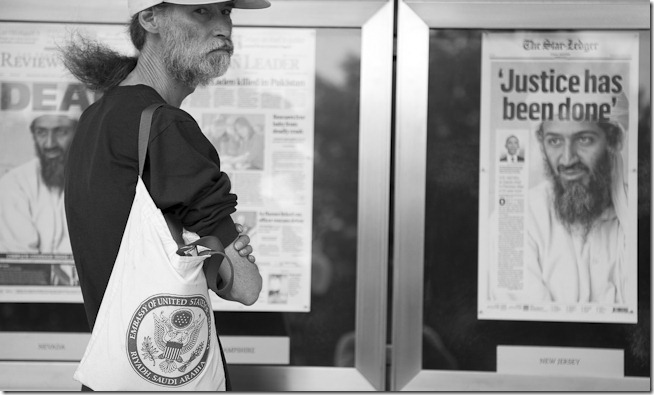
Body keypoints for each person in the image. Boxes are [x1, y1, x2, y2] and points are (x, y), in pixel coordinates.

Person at [59, 0, 269, 389]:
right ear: (150, 18)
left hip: (116, 372)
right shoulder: (164, 124)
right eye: (202, 12)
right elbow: (245, 286)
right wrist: (224, 247)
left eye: (226, 12)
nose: (222, 26)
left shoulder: (96, 116)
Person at [521, 113, 629, 304]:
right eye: (554, 141)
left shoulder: (637, 213)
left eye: (584, 139)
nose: (567, 160)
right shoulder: (523, 218)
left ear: (613, 141)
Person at [0, 114, 77, 254]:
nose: (50, 144)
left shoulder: (98, 181)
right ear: (34, 135)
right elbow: (20, 257)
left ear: (78, 134)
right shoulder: (14, 183)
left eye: (61, 132)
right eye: (41, 133)